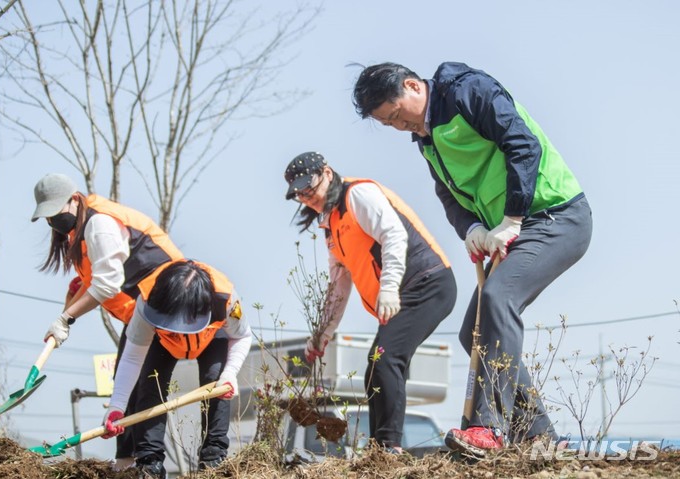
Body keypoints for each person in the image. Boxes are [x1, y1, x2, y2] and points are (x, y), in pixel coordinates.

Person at [352, 62, 593, 456]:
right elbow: (447, 195)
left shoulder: (467, 92)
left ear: (413, 86)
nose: (399, 127)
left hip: (555, 214)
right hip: (513, 228)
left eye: (397, 115)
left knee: (497, 300)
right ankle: (537, 434)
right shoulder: (427, 140)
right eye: (388, 124)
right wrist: (471, 229)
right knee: (474, 332)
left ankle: (488, 430)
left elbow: (522, 143)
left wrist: (513, 217)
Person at [284, 152, 456, 453]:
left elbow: (394, 235)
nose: (307, 197)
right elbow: (339, 282)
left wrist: (389, 288)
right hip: (405, 293)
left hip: (426, 283)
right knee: (374, 369)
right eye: (300, 194)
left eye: (309, 188)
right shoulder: (332, 223)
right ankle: (379, 449)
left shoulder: (357, 195)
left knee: (388, 360)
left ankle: (390, 448)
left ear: (326, 173)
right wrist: (323, 333)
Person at [31, 172, 185, 470]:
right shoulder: (81, 229)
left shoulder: (99, 223)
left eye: (55, 214)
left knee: (145, 387)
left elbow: (107, 285)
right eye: (47, 218)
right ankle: (125, 464)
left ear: (75, 200)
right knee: (125, 387)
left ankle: (148, 467)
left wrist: (67, 318)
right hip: (144, 309)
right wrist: (66, 313)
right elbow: (92, 281)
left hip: (168, 301)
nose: (53, 223)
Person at [100, 259, 251, 478]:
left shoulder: (225, 299)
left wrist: (230, 373)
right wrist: (117, 405)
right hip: (162, 342)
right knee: (151, 383)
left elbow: (242, 336)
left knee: (215, 381)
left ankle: (214, 459)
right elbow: (132, 357)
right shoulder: (147, 299)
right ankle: (149, 462)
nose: (179, 330)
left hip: (210, 337)